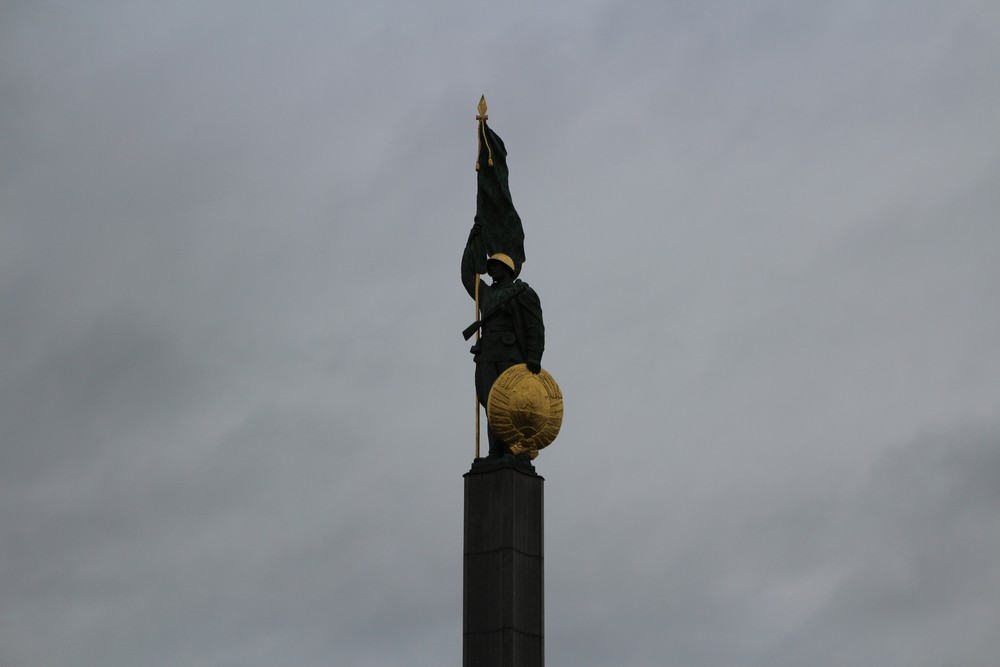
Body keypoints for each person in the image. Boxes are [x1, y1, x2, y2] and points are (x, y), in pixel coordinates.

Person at [462, 220, 544, 460]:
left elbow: (535, 327)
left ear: (506, 268)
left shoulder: (523, 292)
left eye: (495, 265)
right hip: (487, 354)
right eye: (490, 266)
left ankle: (513, 449)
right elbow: (469, 276)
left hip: (511, 354)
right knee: (491, 404)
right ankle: (495, 451)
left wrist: (534, 356)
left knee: (510, 403)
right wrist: (472, 242)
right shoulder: (486, 294)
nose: (491, 269)